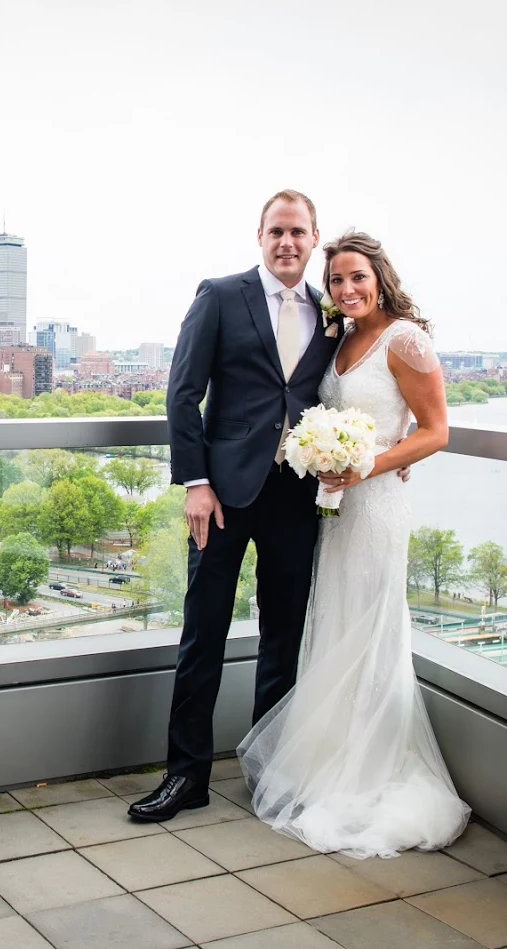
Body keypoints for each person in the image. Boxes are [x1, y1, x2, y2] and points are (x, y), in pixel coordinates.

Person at [237, 232, 469, 857]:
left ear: (379, 276)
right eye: (337, 280)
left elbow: (436, 430)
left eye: (357, 277)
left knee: (370, 632)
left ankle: (369, 773)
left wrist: (372, 463)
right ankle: (330, 762)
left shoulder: (406, 339)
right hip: (335, 511)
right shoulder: (340, 337)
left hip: (377, 509)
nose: (346, 289)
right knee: (334, 625)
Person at [129, 189, 342, 823]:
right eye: (277, 231)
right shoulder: (220, 296)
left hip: (295, 497)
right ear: (259, 235)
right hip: (220, 496)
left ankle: (269, 774)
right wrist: (195, 481)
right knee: (204, 635)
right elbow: (182, 395)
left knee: (284, 638)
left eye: (298, 233)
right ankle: (185, 776)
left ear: (313, 238)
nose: (287, 243)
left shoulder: (332, 313)